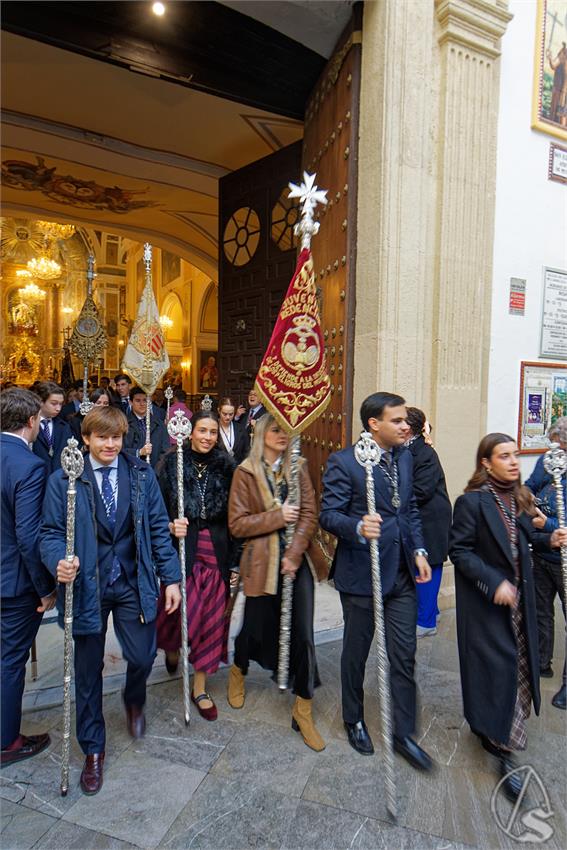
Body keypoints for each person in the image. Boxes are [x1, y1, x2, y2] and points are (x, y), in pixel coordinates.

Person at [40, 406, 181, 795]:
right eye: (102, 437)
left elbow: (156, 527)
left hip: (134, 581)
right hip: (87, 586)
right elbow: (50, 532)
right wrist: (58, 561)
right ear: (86, 439)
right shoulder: (65, 480)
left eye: (116, 437)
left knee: (142, 655)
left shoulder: (140, 474)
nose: (110, 444)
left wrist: (170, 577)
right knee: (87, 672)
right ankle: (93, 749)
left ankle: (134, 699)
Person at [449, 433, 567, 800]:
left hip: (521, 600)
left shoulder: (517, 498)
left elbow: (520, 541)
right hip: (489, 603)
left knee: (516, 668)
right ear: (486, 463)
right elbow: (460, 551)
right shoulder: (470, 503)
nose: (514, 461)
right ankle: (503, 751)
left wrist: (549, 540)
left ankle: (496, 732)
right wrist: (493, 581)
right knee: (496, 669)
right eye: (504, 456)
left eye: (515, 454)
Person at [319, 392, 433, 769]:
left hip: (400, 573)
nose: (406, 426)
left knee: (404, 653)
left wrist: (419, 551)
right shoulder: (344, 463)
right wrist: (356, 526)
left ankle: (402, 733)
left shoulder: (404, 457)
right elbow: (329, 515)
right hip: (362, 576)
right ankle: (353, 719)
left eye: (406, 421)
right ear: (374, 424)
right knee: (357, 652)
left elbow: (410, 510)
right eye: (398, 421)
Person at [227, 415, 329, 750]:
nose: (283, 435)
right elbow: (237, 524)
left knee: (303, 635)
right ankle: (238, 670)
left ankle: (303, 709)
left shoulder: (297, 467)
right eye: (276, 429)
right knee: (255, 627)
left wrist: (295, 553)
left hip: (295, 566)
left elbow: (310, 514)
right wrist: (277, 517)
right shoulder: (245, 472)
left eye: (287, 430)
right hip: (260, 564)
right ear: (261, 434)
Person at [155, 410, 235, 721]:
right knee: (178, 613)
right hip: (182, 551)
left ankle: (200, 686)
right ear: (190, 432)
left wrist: (237, 562)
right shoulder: (171, 465)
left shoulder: (228, 468)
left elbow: (236, 519)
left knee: (211, 618)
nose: (207, 437)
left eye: (213, 432)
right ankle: (173, 646)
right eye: (202, 430)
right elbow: (155, 512)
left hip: (216, 551)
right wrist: (170, 527)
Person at [1, 389, 56, 767]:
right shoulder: (30, 465)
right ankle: (7, 741)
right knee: (10, 661)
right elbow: (28, 534)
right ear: (32, 421)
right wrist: (46, 587)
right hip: (15, 584)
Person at [525, 417, 567, 710]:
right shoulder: (548, 460)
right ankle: (541, 663)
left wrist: (547, 522)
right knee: (541, 612)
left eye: (560, 444)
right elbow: (531, 485)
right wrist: (527, 498)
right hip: (542, 553)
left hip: (563, 555)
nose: (555, 450)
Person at [405, 407, 452, 637]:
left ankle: (425, 623)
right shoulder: (409, 449)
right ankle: (430, 611)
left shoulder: (424, 453)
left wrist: (393, 498)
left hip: (431, 518)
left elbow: (422, 490)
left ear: (410, 428)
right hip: (420, 517)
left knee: (430, 565)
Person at [31, 381, 72, 474]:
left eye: (61, 404)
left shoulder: (64, 426)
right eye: (54, 403)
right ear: (40, 402)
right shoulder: (29, 425)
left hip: (58, 479)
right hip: (36, 477)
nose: (58, 408)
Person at [124, 386, 169, 468]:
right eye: (138, 400)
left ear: (150, 401)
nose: (142, 404)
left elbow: (165, 451)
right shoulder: (123, 423)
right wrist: (139, 452)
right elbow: (120, 450)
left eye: (145, 400)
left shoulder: (159, 423)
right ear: (130, 402)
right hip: (132, 471)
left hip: (155, 472)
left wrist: (156, 473)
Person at [217, 397, 249, 464]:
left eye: (231, 414)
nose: (228, 417)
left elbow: (246, 451)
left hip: (237, 470)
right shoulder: (213, 428)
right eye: (224, 414)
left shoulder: (241, 429)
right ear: (219, 411)